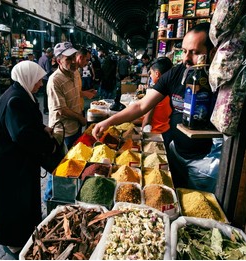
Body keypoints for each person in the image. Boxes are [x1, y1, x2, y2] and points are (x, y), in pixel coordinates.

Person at [92, 22, 218, 191]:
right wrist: (108, 122)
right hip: (176, 151)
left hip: (204, 161)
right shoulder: (177, 72)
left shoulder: (219, 82)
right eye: (185, 51)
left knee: (198, 203)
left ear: (213, 52)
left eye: (195, 53)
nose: (186, 58)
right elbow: (141, 105)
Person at [0, 61, 59, 258]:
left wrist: (42, 129)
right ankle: (12, 241)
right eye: (38, 80)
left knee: (16, 198)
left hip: (8, 156)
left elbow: (25, 124)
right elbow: (21, 134)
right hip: (1, 161)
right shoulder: (16, 98)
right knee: (9, 202)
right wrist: (49, 146)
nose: (39, 84)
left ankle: (21, 234)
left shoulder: (19, 92)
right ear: (27, 78)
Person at [44, 42, 87, 202]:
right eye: (69, 59)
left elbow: (75, 93)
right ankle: (49, 200)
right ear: (58, 60)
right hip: (62, 131)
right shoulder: (54, 80)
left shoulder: (75, 73)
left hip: (75, 128)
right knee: (59, 167)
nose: (74, 61)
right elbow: (61, 109)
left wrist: (85, 95)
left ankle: (69, 194)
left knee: (74, 164)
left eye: (74, 57)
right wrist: (81, 118)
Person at [141, 57, 173, 151]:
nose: (150, 76)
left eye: (150, 73)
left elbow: (147, 120)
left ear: (157, 74)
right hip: (168, 132)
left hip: (155, 135)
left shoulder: (155, 94)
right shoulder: (172, 90)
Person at [75, 47, 97, 114]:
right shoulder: (71, 72)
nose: (87, 63)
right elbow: (70, 94)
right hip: (75, 112)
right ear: (80, 57)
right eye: (87, 60)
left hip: (80, 108)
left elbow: (76, 91)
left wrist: (86, 92)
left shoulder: (76, 71)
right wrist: (85, 93)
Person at [38, 47, 54, 114]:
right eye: (52, 53)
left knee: (45, 94)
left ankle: (45, 109)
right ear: (49, 52)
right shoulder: (47, 59)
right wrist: (53, 71)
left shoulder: (41, 58)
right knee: (47, 94)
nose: (52, 54)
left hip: (42, 77)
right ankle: (46, 109)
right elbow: (48, 71)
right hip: (46, 78)